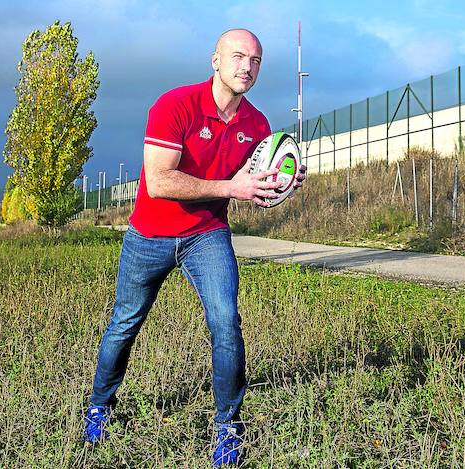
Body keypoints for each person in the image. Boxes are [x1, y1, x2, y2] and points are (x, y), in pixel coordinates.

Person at [83, 28, 306, 465]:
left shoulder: (257, 125)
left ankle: (227, 428)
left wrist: (281, 185)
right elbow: (160, 181)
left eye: (256, 60)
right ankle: (100, 408)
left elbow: (251, 190)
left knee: (226, 322)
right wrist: (231, 187)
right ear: (215, 61)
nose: (247, 66)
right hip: (149, 235)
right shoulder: (175, 105)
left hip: (207, 234)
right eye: (238, 56)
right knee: (125, 324)